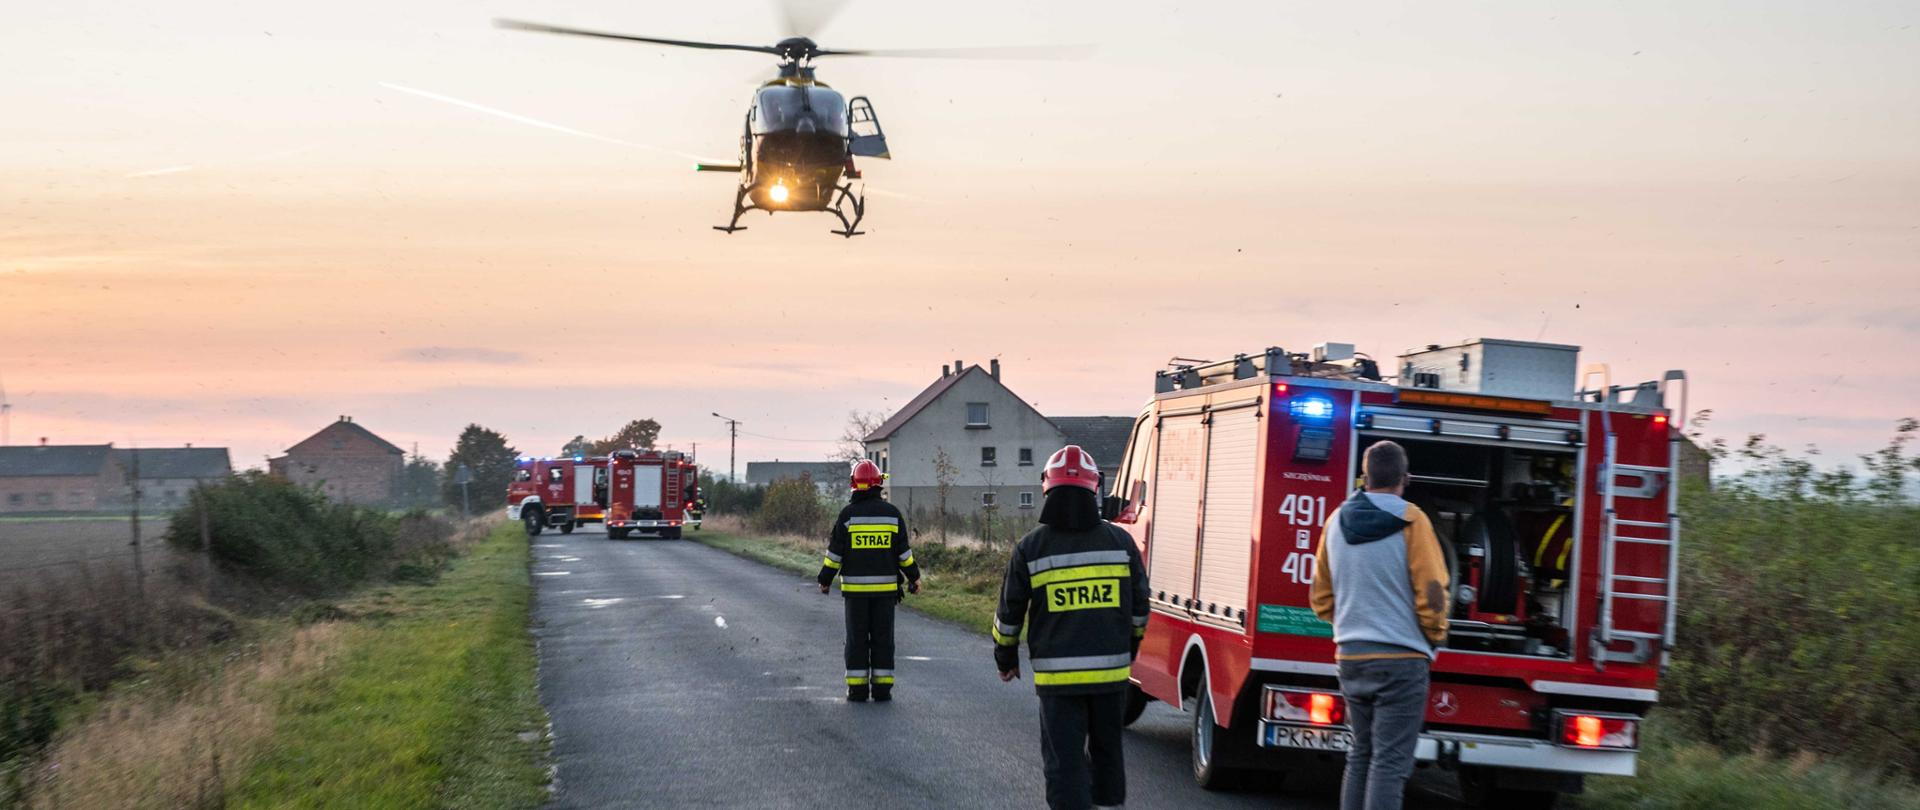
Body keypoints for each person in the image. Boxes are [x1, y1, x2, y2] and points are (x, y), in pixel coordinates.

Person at [992, 445, 1149, 810]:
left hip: (1058, 682)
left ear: (1047, 489)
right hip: (1111, 676)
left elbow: (1008, 616)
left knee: (1065, 763)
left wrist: (1005, 658)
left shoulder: (1031, 548)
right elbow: (1141, 608)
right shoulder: (1121, 542)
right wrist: (1130, 650)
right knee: (1108, 754)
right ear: (1095, 489)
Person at [1310, 440, 1450, 810]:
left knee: (1360, 754)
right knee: (1389, 763)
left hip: (1352, 656)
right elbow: (1433, 590)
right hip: (1402, 658)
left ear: (1364, 476)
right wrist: (1433, 635)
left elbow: (1320, 596)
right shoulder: (1413, 520)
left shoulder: (1335, 521)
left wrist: (1349, 623)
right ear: (1407, 478)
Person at [817, 459, 921, 702]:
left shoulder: (847, 516)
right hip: (885, 594)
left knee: (857, 640)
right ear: (878, 485)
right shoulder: (893, 515)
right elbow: (904, 556)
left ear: (854, 486)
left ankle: (858, 689)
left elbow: (834, 556)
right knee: (883, 639)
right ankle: (883, 690)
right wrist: (914, 578)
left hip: (855, 594)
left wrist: (824, 580)